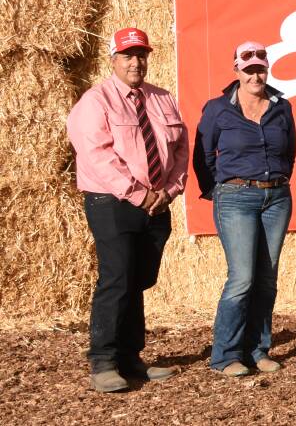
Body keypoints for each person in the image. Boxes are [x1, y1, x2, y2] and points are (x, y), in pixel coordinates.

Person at [66, 27, 188, 392]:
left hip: (156, 202)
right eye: (127, 56)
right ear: (113, 60)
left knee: (139, 279)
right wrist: (138, 194)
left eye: (141, 55)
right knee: (117, 278)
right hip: (113, 201)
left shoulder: (162, 98)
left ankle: (131, 356)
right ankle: (102, 361)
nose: (136, 63)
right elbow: (97, 155)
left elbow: (181, 148)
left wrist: (169, 189)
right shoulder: (95, 101)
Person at [194, 41, 296, 377]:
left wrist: (277, 181)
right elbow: (203, 157)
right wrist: (220, 190)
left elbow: (290, 153)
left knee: (266, 279)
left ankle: (257, 350)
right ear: (236, 70)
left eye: (260, 67)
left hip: (276, 198)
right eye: (248, 68)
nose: (256, 74)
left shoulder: (282, 107)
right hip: (236, 197)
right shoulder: (217, 109)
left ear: (267, 68)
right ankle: (225, 355)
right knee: (242, 278)